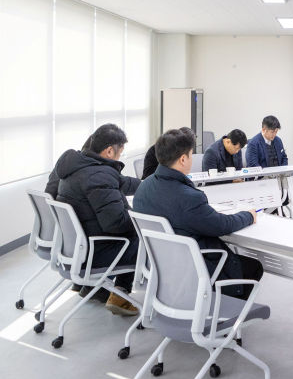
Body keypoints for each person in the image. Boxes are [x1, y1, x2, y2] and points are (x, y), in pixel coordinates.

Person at [132, 128, 263, 300]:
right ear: (183, 159)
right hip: (194, 267)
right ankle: (222, 316)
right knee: (254, 267)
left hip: (162, 265)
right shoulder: (189, 198)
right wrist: (248, 215)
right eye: (191, 155)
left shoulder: (143, 188)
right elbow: (221, 225)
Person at [54, 123, 141, 316]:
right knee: (147, 241)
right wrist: (141, 220)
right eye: (120, 152)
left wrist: (149, 185)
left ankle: (97, 289)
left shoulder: (78, 166)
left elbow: (121, 183)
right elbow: (116, 223)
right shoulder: (99, 175)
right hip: (96, 252)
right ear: (110, 151)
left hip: (78, 247)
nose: (120, 157)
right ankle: (121, 295)